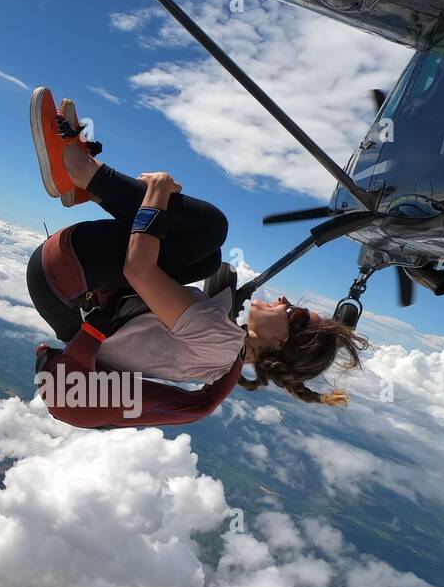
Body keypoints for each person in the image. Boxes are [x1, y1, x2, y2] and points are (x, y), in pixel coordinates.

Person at [26, 88, 367, 407]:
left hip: (62, 280)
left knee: (210, 228)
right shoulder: (222, 361)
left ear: (280, 342)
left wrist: (157, 193)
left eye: (294, 313)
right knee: (209, 260)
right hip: (70, 302)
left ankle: (77, 168)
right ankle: (88, 187)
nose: (284, 301)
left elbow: (138, 271)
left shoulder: (218, 341)